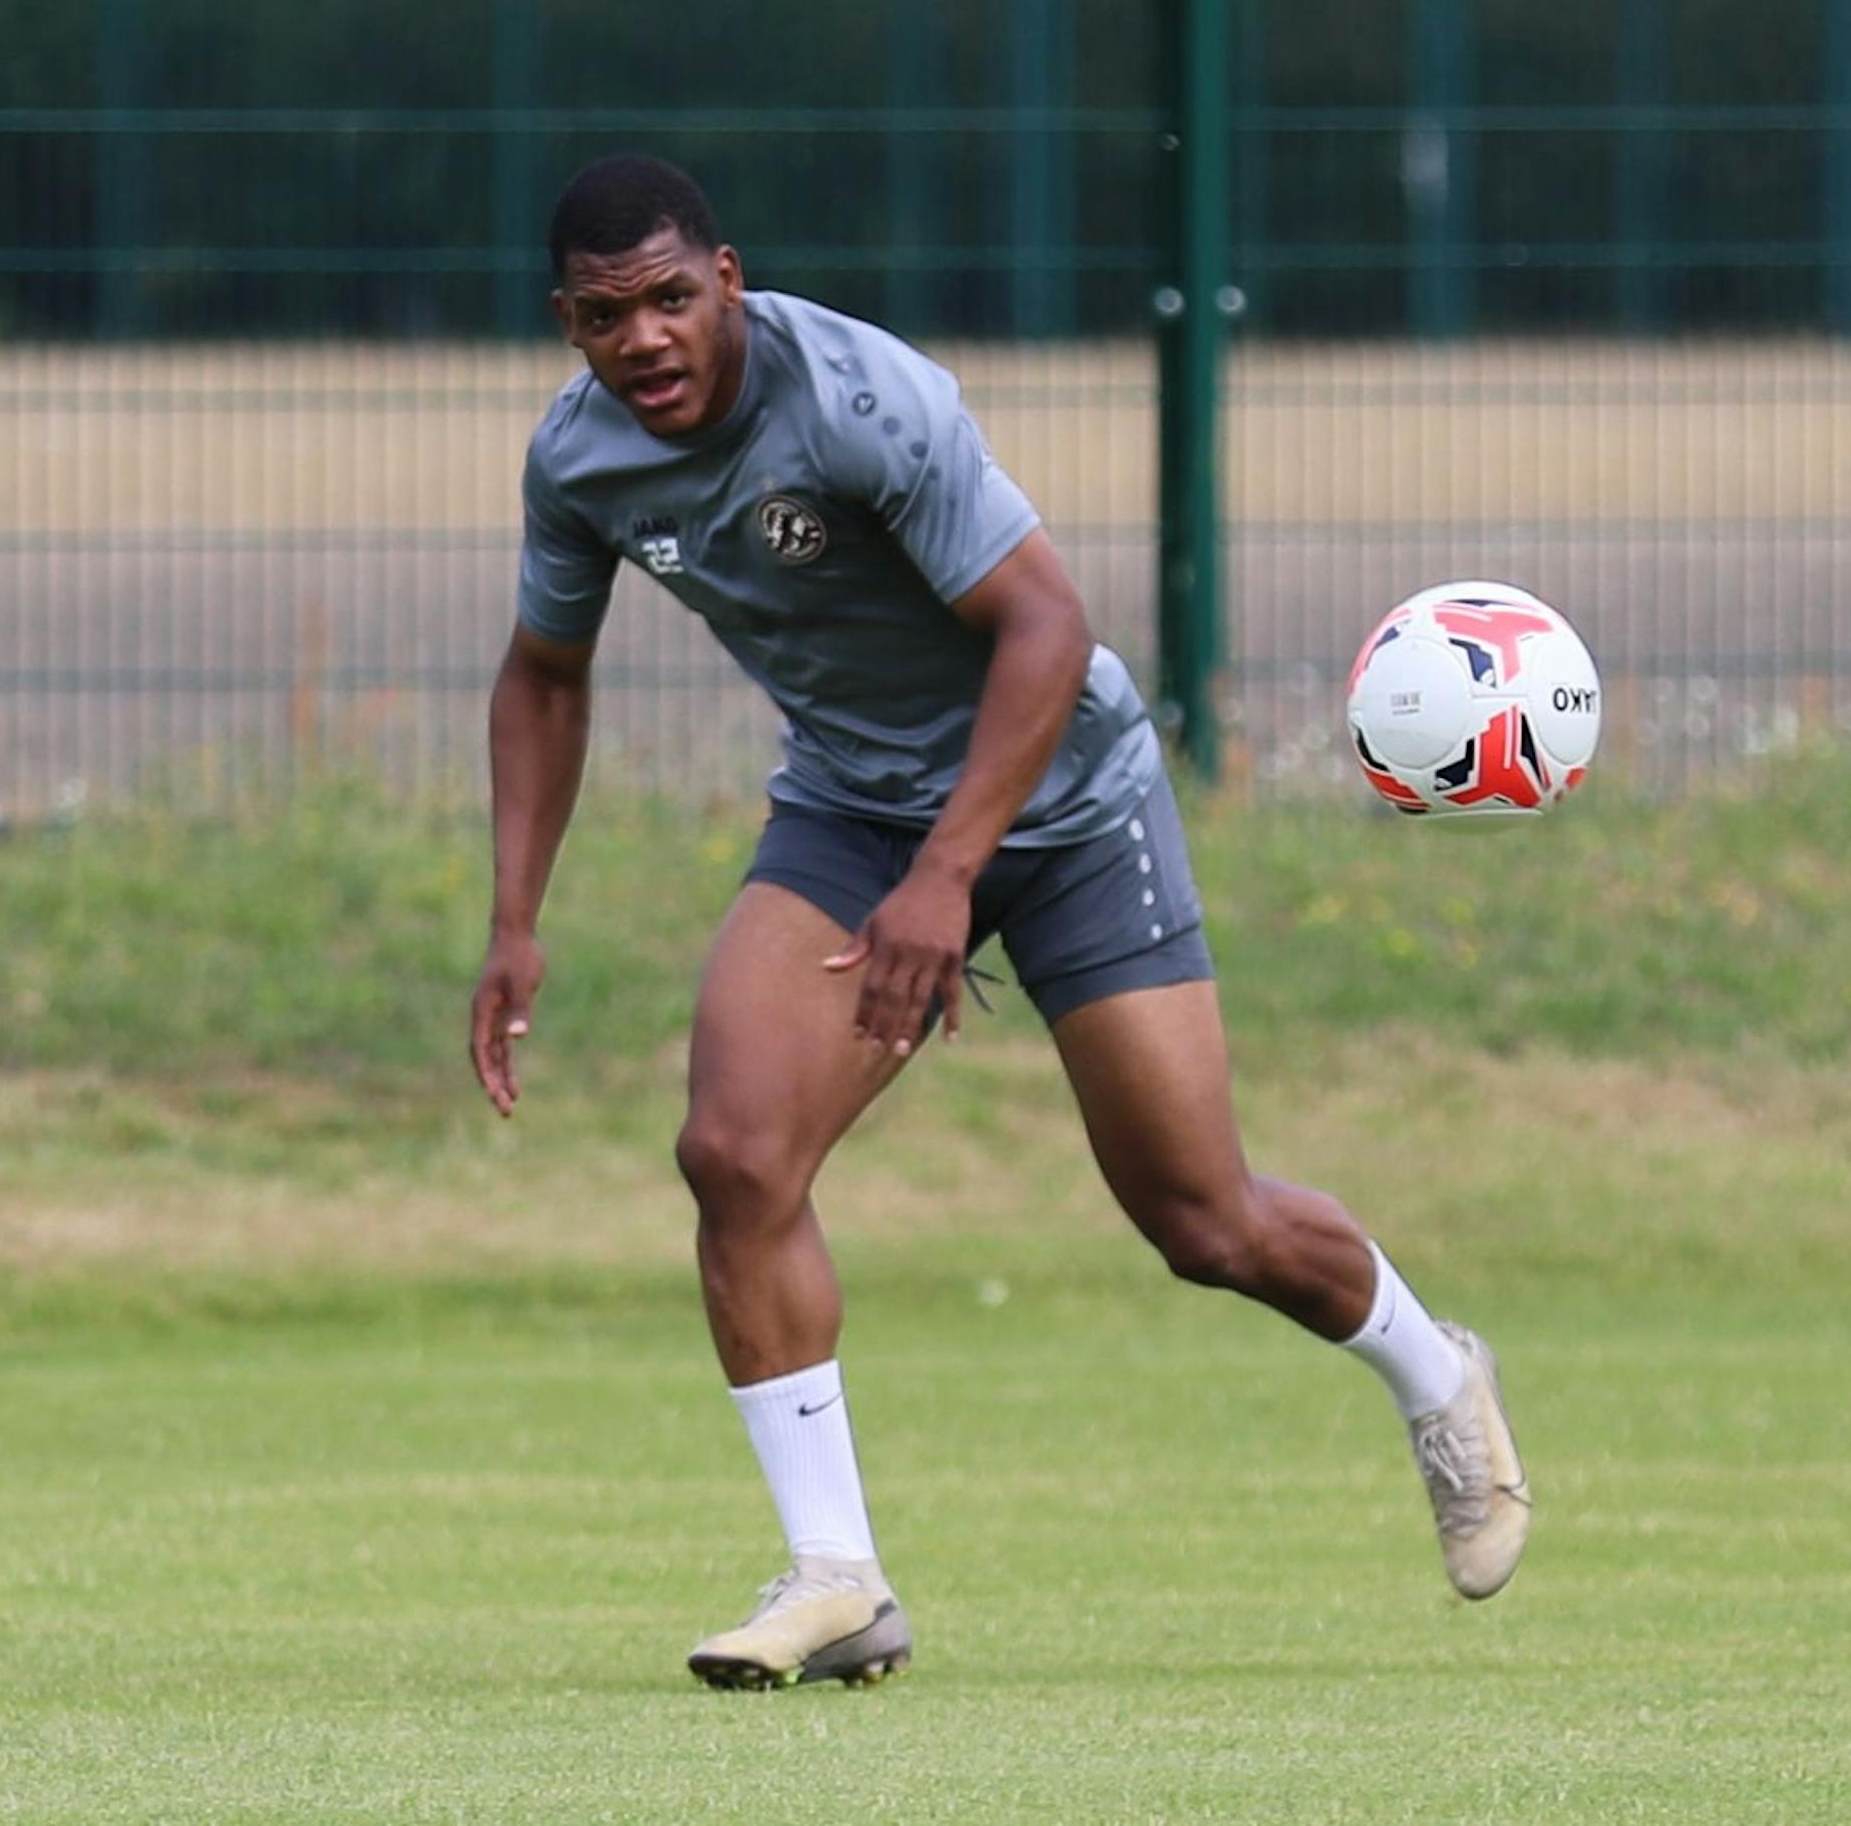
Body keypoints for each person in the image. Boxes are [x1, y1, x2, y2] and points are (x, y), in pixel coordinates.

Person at [469, 154, 1530, 1692]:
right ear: (567, 324)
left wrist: (951, 875)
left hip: (1071, 803)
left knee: (1204, 1223)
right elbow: (542, 675)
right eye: (604, 315)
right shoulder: (578, 464)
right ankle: (838, 1578)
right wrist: (515, 918)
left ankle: (1440, 1381)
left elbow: (1048, 628)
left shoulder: (860, 401)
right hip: (854, 811)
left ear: (729, 278)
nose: (644, 339)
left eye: (670, 299)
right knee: (736, 1153)